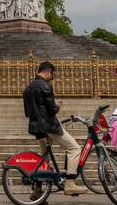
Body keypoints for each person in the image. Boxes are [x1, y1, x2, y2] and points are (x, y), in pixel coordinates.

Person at [22, 61, 88, 196]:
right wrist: (58, 106)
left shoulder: (28, 89)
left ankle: (38, 191)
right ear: (47, 71)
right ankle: (70, 183)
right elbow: (51, 110)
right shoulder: (45, 86)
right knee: (74, 149)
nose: (52, 78)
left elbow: (27, 113)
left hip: (36, 127)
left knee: (44, 158)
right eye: (52, 74)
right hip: (49, 126)